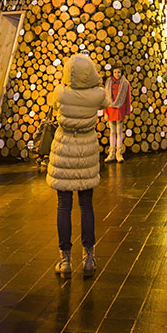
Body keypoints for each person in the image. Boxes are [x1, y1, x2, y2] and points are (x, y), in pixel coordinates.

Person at [46, 53, 109, 279]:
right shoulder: (97, 95)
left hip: (64, 149)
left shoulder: (60, 93)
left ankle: (65, 261)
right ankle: (89, 257)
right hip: (87, 150)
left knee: (63, 206)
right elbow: (107, 101)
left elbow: (53, 107)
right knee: (86, 206)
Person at [104, 66, 132, 163]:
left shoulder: (125, 83)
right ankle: (111, 153)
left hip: (120, 109)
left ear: (122, 73)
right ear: (112, 73)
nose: (117, 74)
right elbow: (105, 98)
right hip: (110, 109)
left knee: (119, 131)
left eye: (119, 72)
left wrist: (128, 112)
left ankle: (119, 153)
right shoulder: (108, 83)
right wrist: (105, 112)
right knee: (112, 131)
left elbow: (128, 99)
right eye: (115, 72)